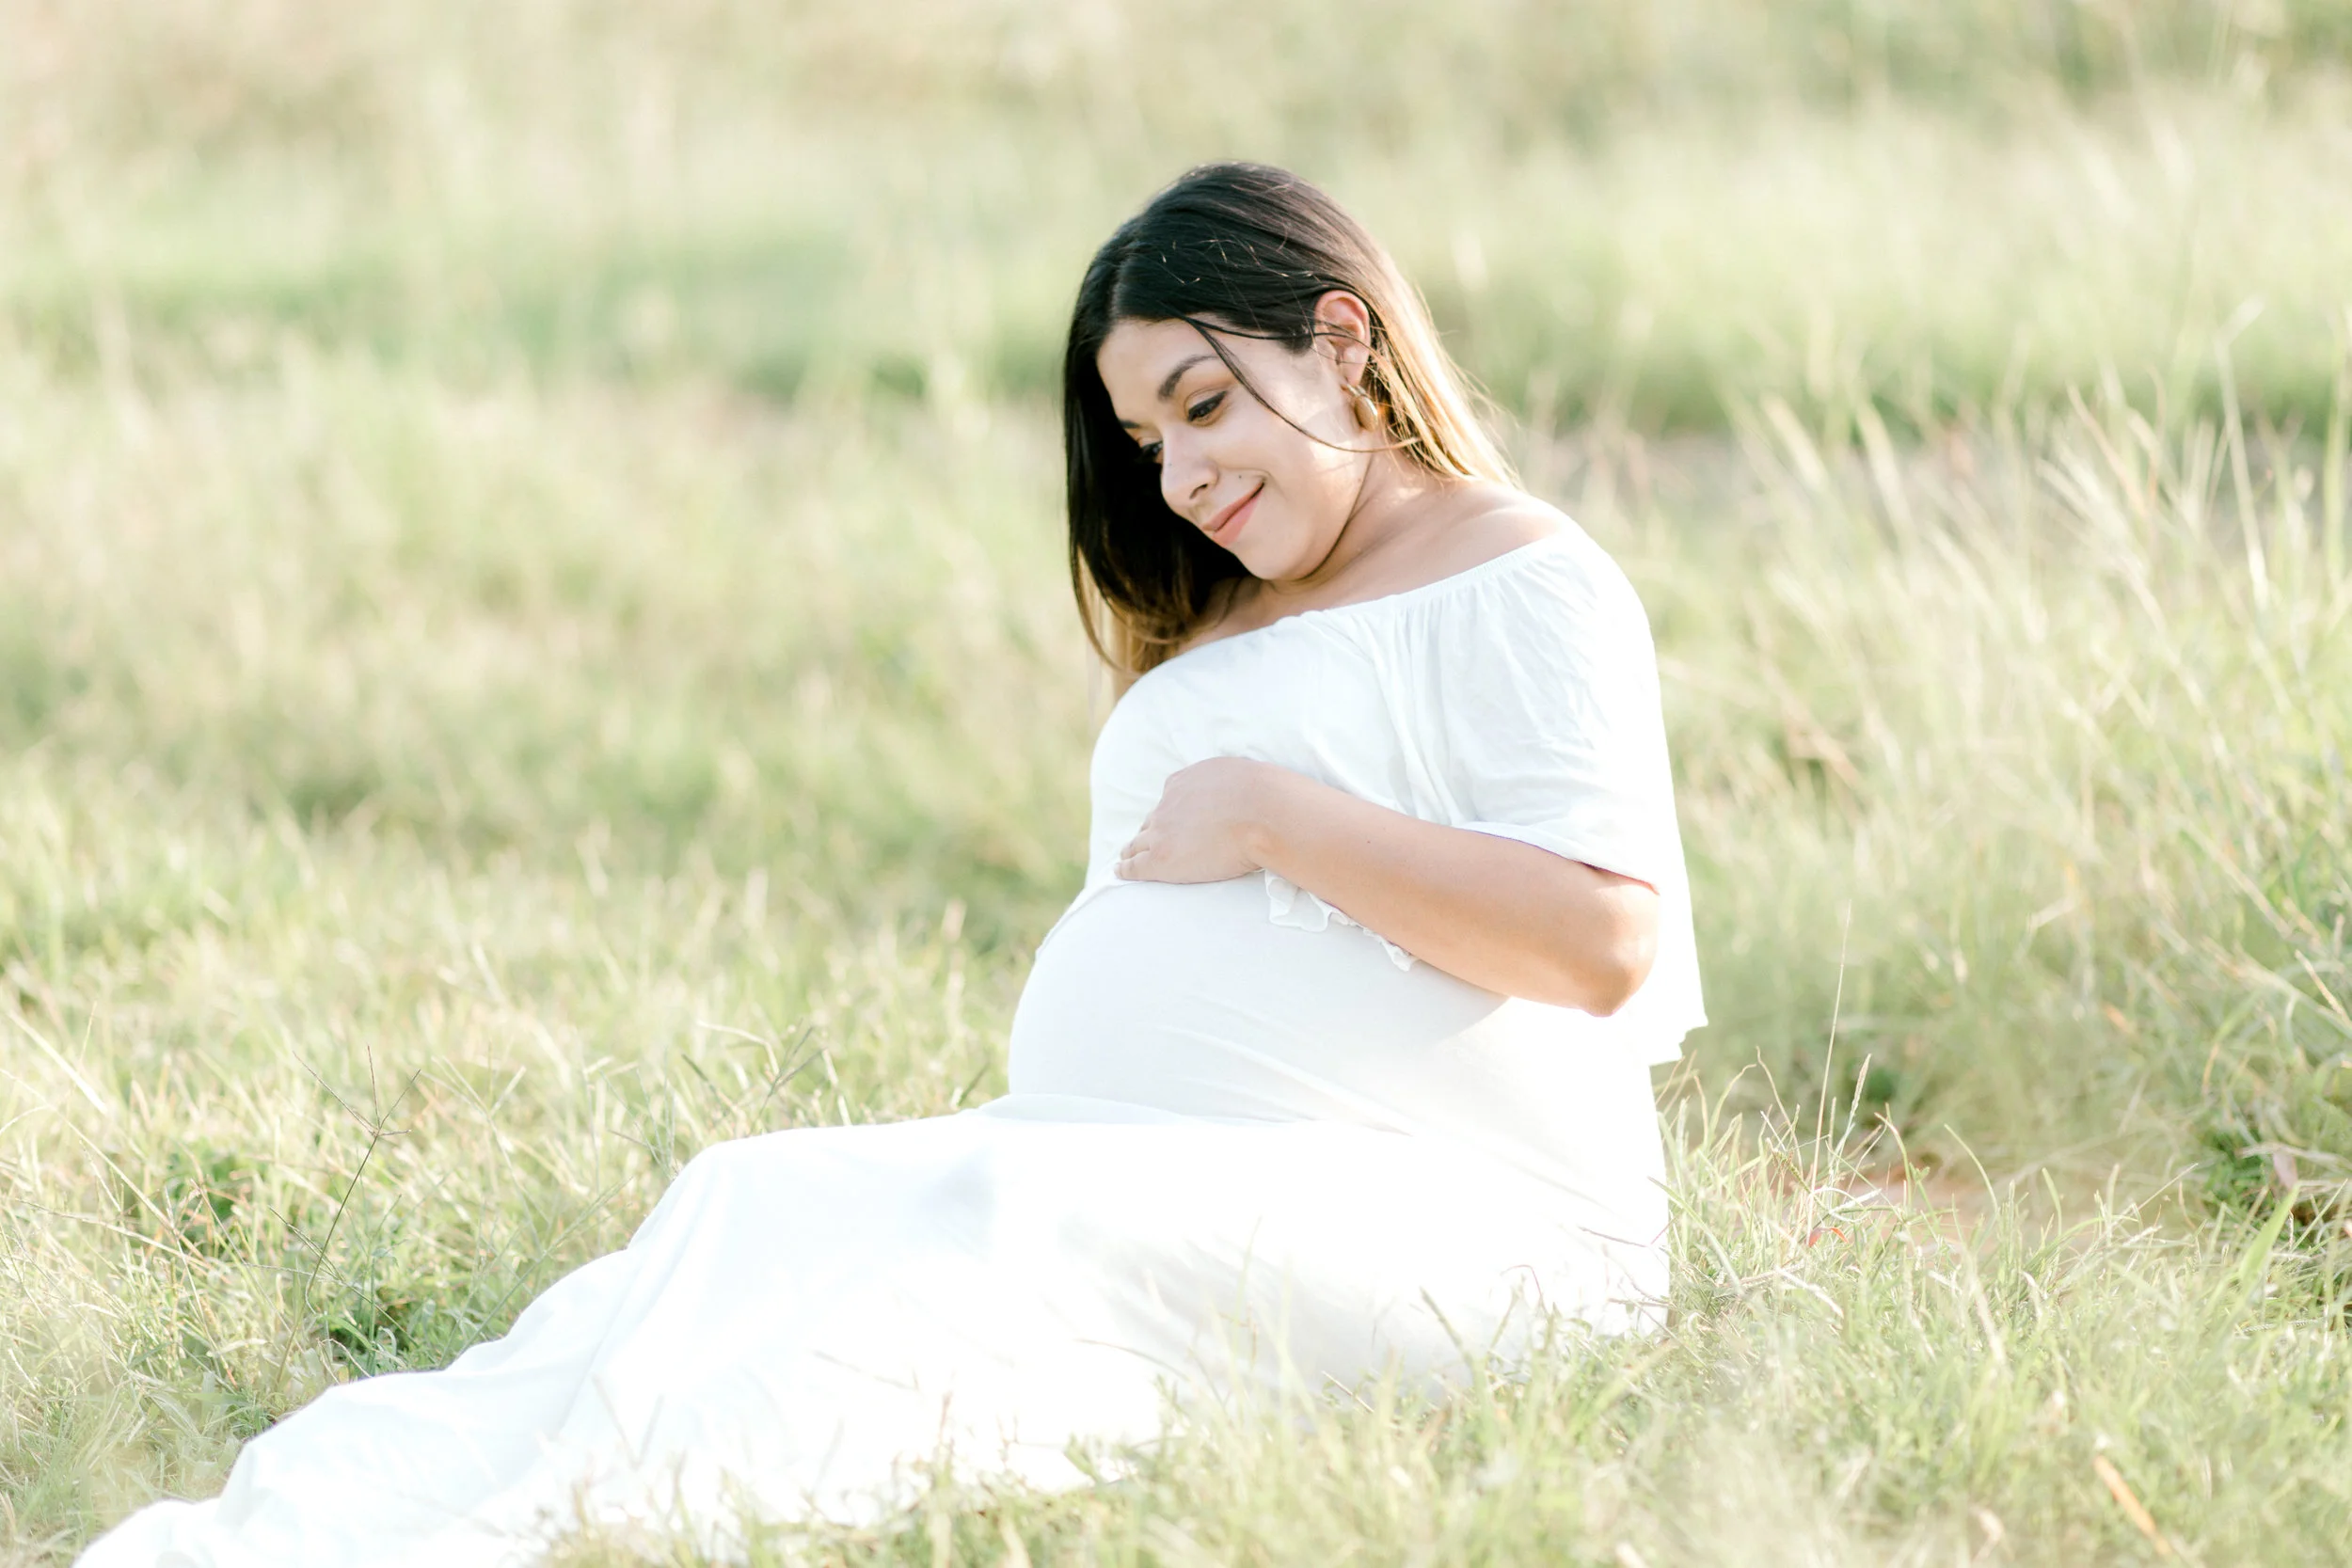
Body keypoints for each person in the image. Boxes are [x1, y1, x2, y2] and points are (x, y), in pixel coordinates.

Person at [79, 162, 1705, 1567]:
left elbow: (1600, 941)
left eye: (1203, 405)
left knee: (978, 1220)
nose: (1181, 477)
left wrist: (1280, 816)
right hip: (1160, 1159)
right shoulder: (1225, 619)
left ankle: (621, 1524)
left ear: (1340, 339)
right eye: (1144, 441)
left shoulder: (1524, 581)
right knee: (753, 1198)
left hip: (1469, 1229)